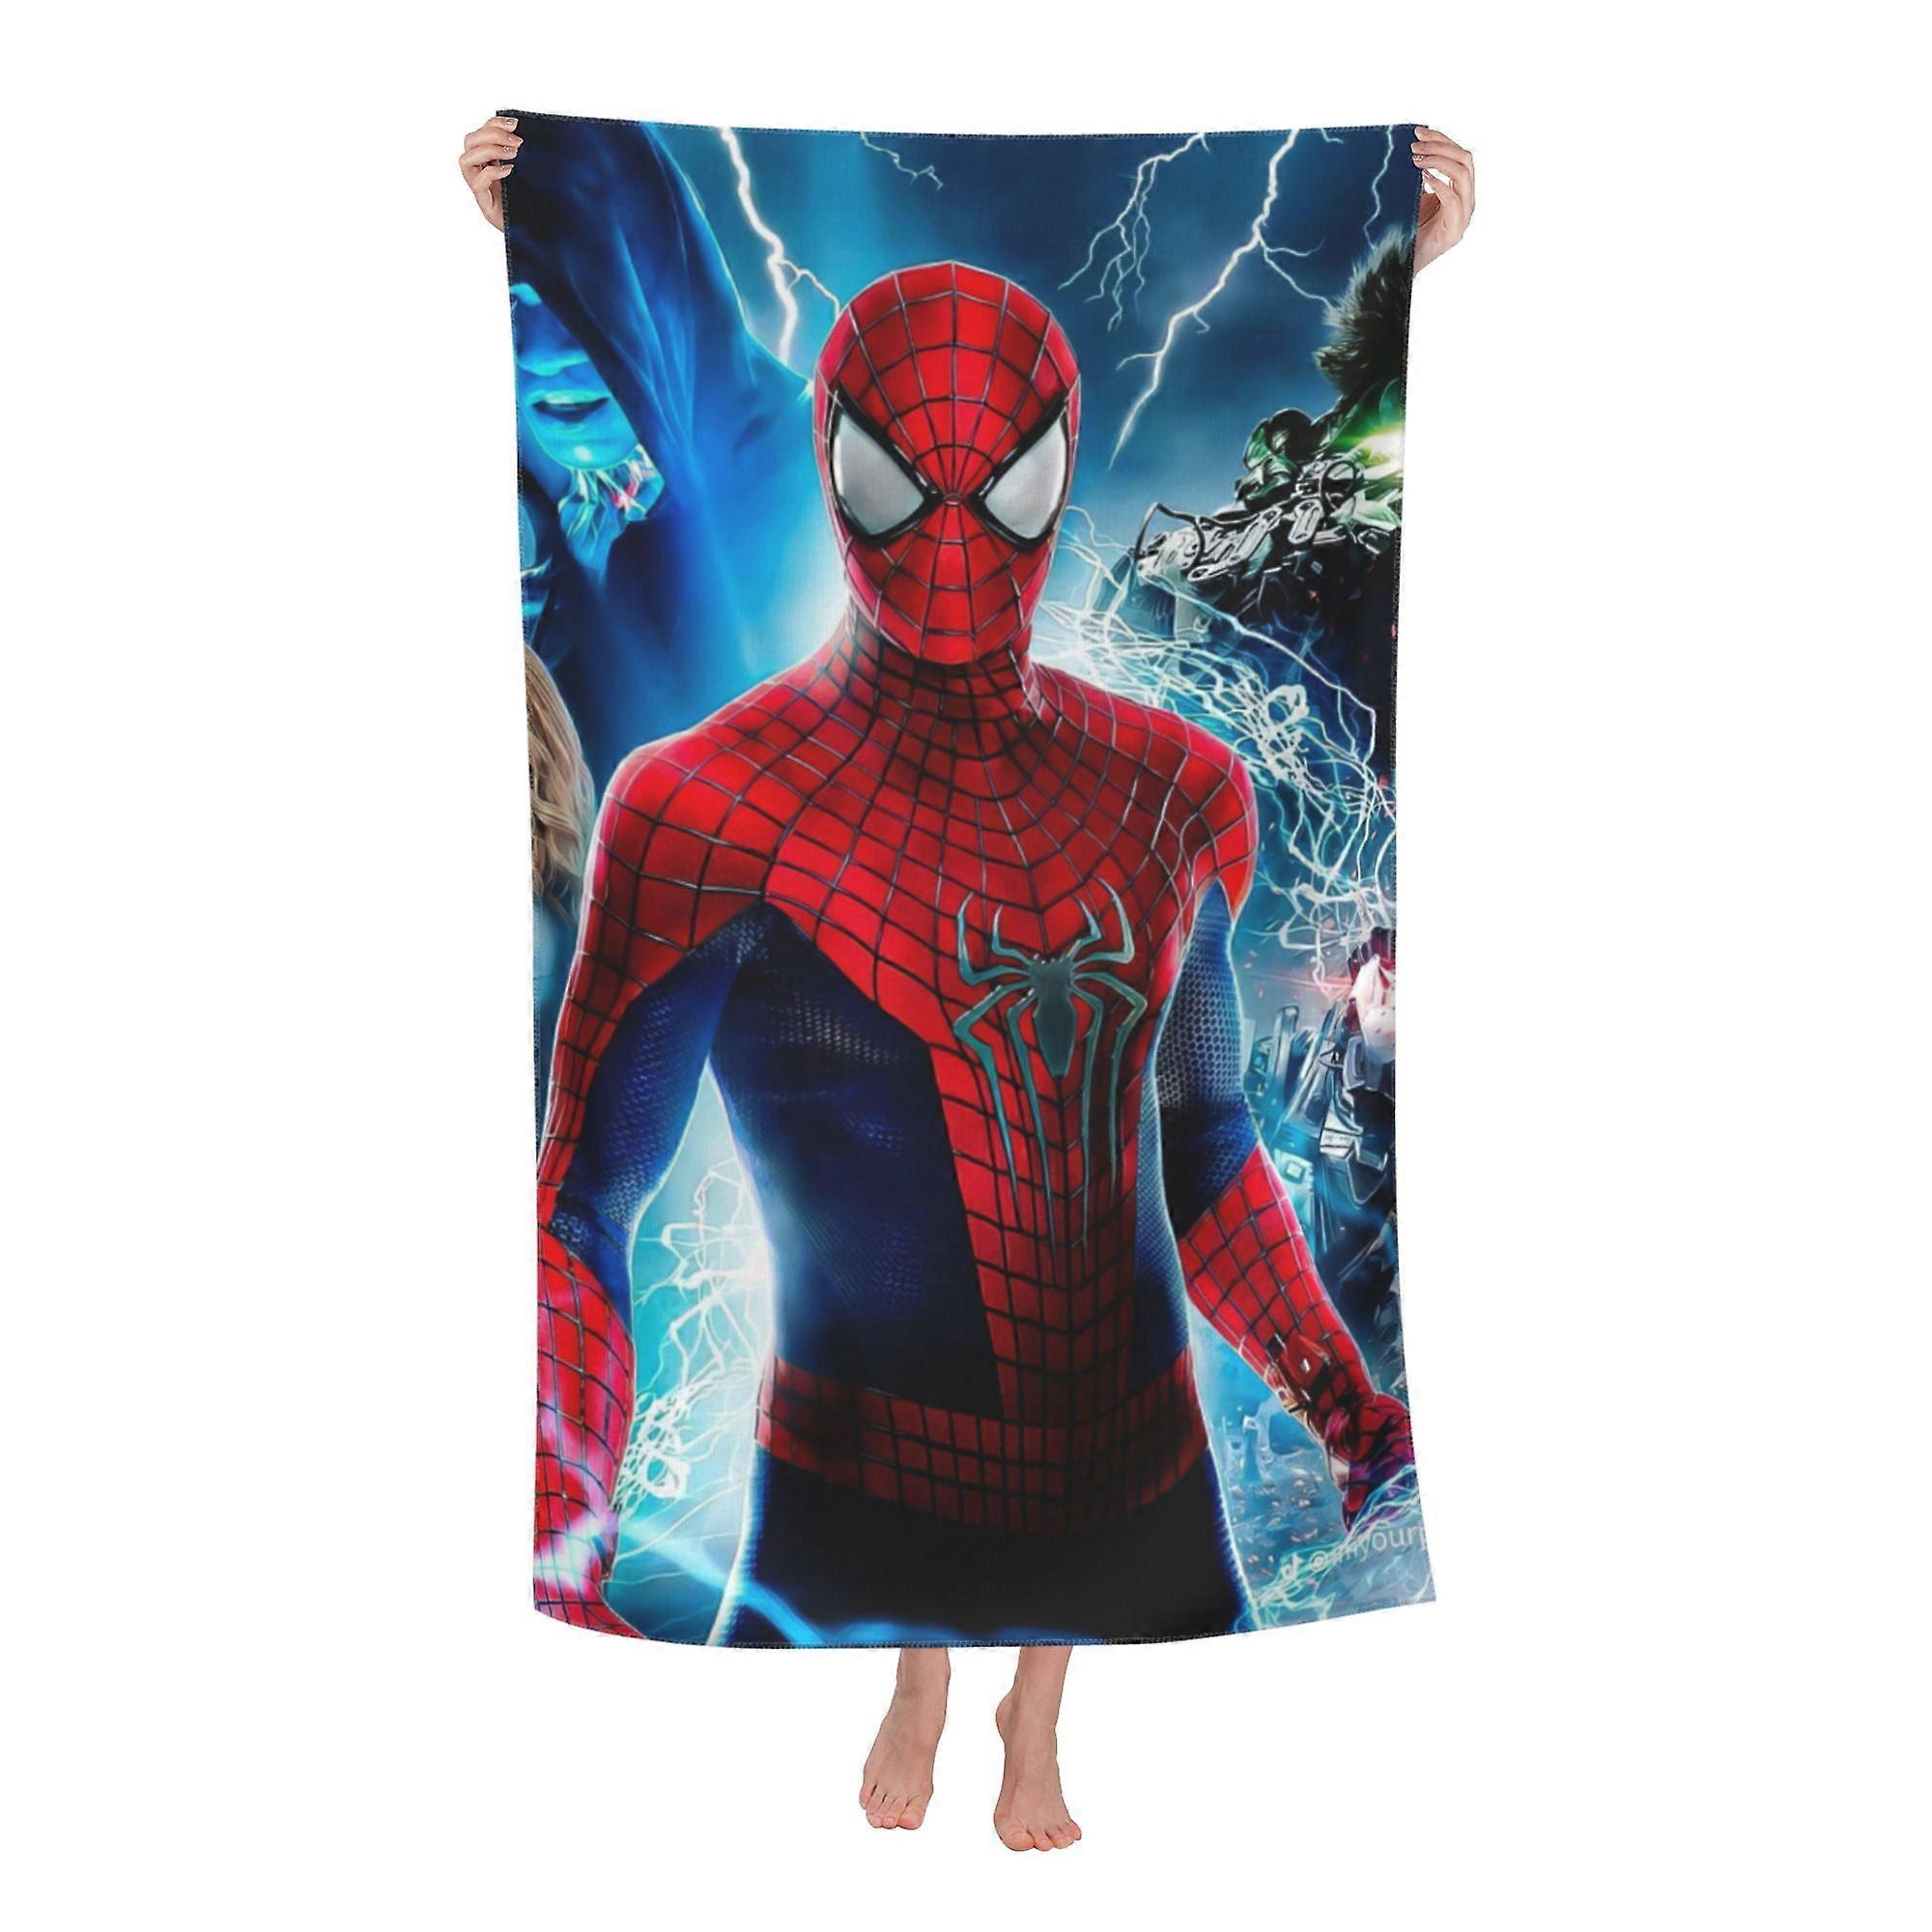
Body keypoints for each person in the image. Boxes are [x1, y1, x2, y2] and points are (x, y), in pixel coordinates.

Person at [463, 119, 1474, 1855]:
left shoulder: (1173, 794)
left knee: (1090, 1316)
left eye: (996, 491)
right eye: (897, 486)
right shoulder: (705, 811)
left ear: (1056, 477)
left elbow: (1201, 1147)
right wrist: (532, 194)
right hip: (850, 1492)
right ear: (834, 462)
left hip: (1140, 1472)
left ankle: (1032, 1711)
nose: (947, 542)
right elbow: (586, 1202)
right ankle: (926, 1684)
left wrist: (1352, 1414)